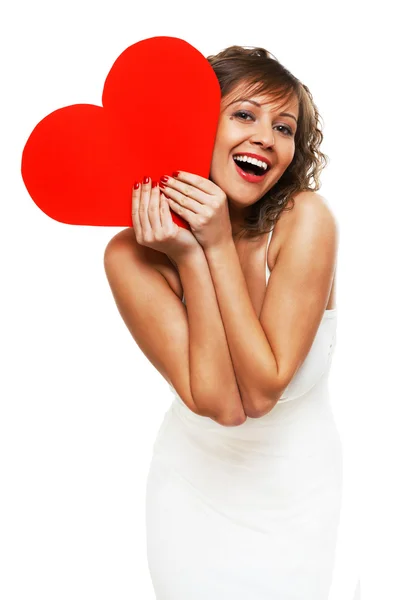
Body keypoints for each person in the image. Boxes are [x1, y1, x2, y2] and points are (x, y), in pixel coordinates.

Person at [103, 45, 341, 599]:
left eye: (284, 127)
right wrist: (191, 254)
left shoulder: (305, 221)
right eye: (243, 114)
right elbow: (220, 404)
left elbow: (259, 392)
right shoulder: (130, 255)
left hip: (295, 506)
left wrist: (211, 247)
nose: (266, 136)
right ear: (192, 123)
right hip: (190, 500)